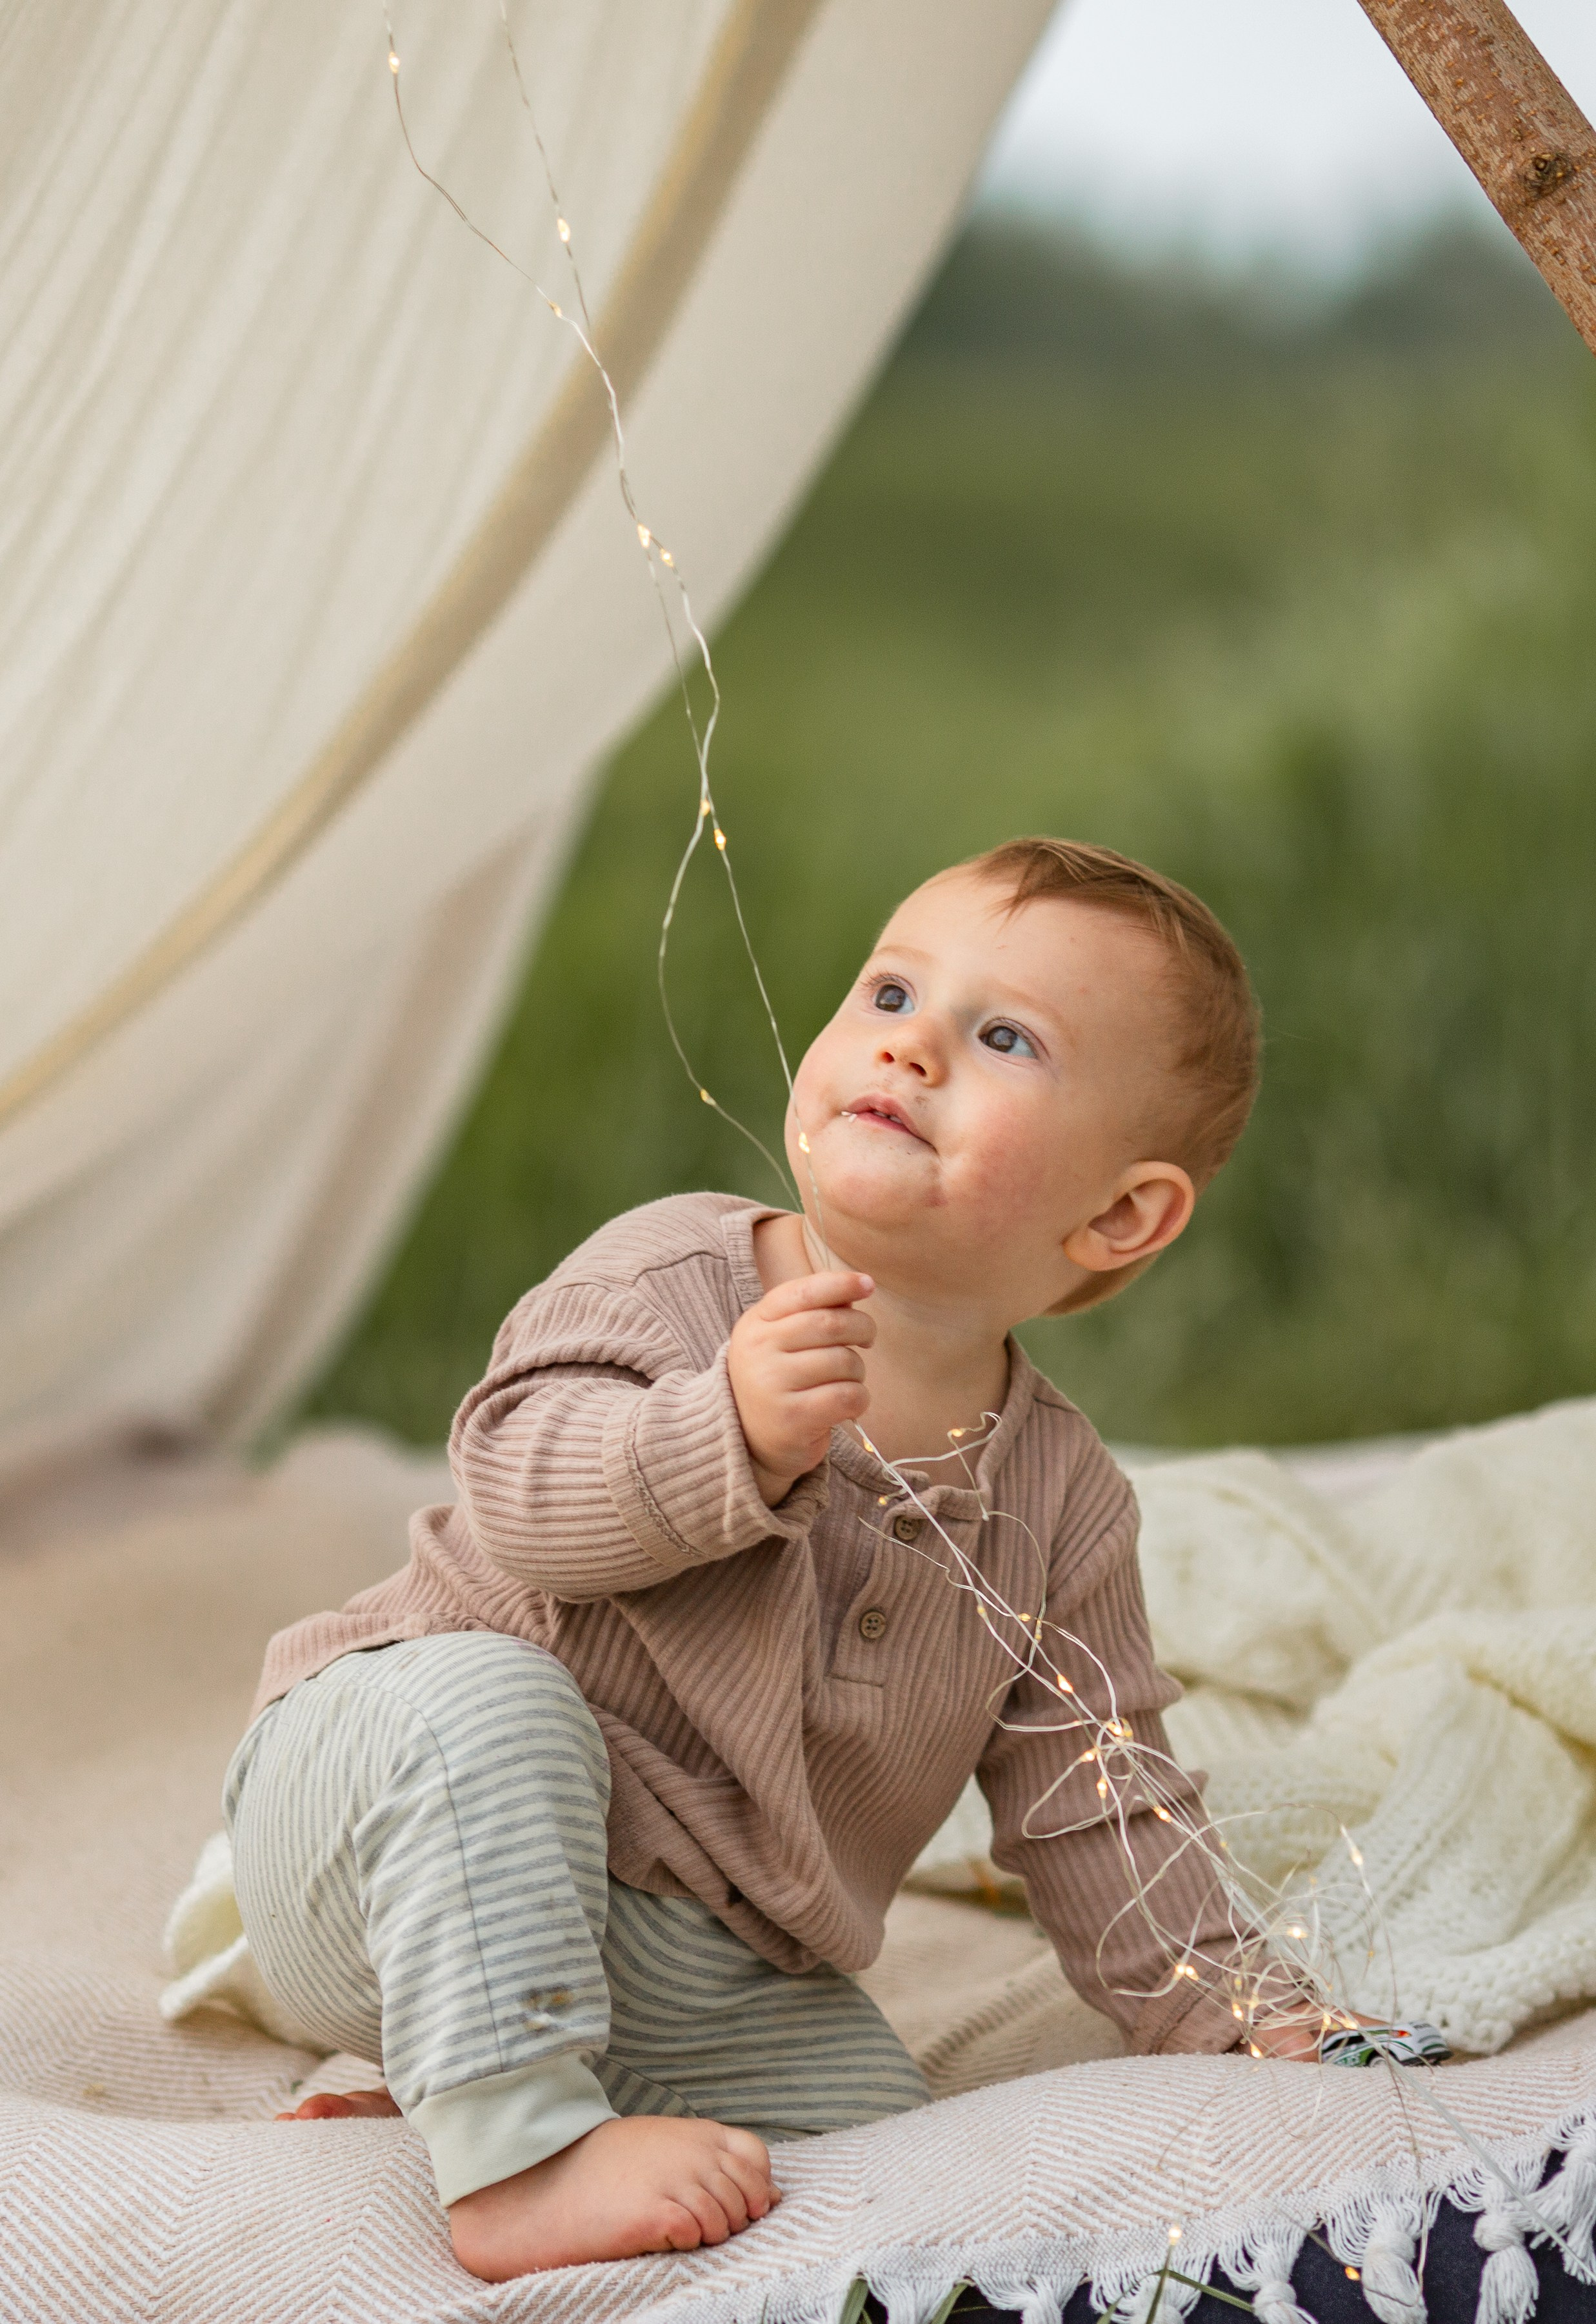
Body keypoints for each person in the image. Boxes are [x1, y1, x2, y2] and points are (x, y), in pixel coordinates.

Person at [229, 837, 1307, 2284]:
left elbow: (1096, 1805)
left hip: (682, 1958)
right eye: (888, 991)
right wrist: (717, 1431)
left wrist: (1233, 2005)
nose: (910, 1047)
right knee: (487, 1698)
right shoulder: (670, 1274)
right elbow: (516, 1489)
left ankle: (447, 2084)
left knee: (882, 2142)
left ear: (1117, 1214)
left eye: (1000, 1038)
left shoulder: (1059, 1503)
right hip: (383, 1816)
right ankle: (515, 2157)